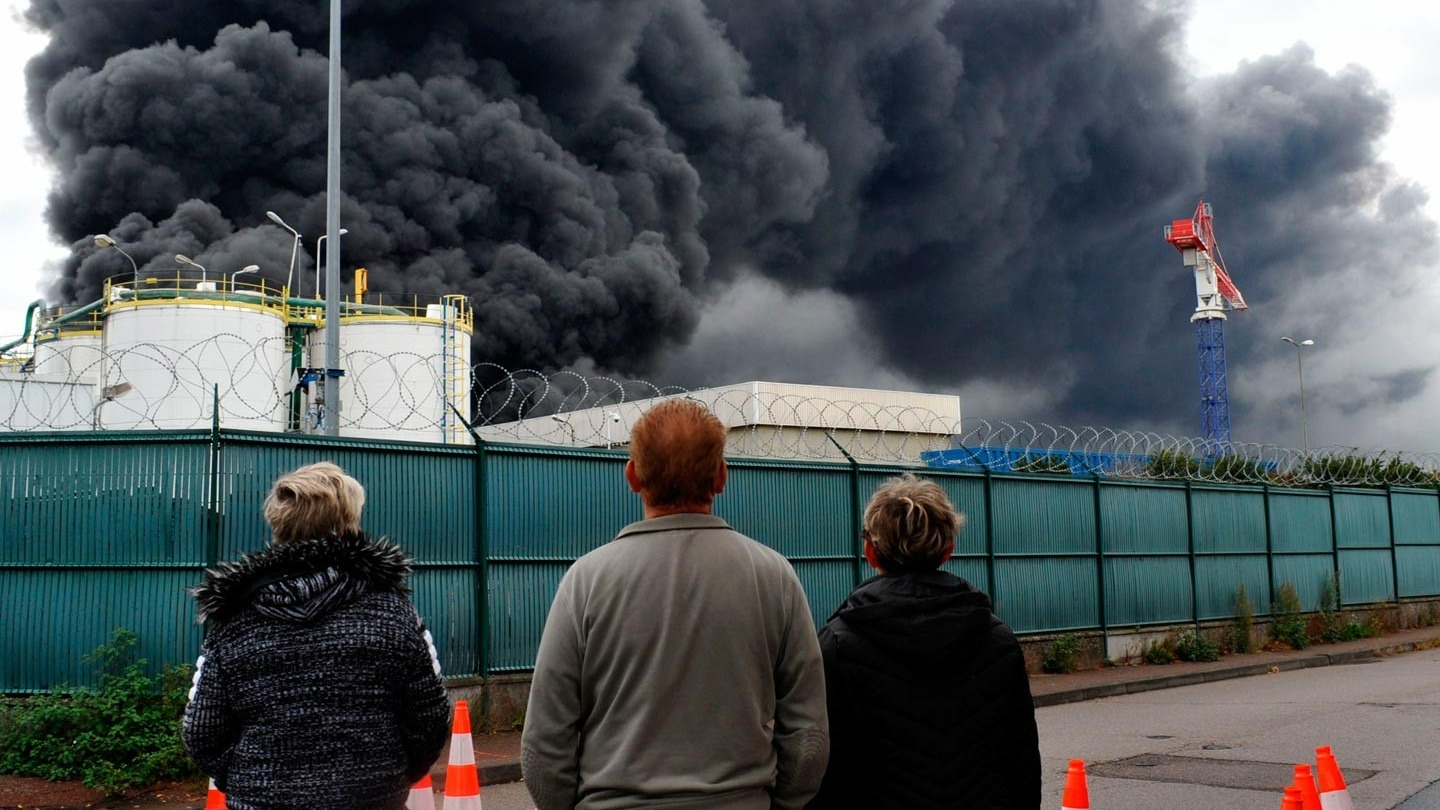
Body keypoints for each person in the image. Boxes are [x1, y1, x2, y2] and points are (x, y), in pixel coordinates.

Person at [522, 399, 829, 810]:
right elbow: (808, 739)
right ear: (721, 476)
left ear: (632, 475)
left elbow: (543, 744)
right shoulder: (774, 577)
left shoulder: (586, 580)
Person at [183, 461, 450, 810]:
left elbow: (202, 731)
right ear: (347, 524)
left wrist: (250, 779)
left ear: (278, 524)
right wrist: (390, 774)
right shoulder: (393, 613)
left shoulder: (235, 621)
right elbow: (430, 719)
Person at [809, 473, 1041, 810]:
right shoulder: (997, 641)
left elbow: (823, 768)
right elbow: (1021, 760)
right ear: (949, 550)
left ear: (870, 551)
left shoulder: (837, 646)